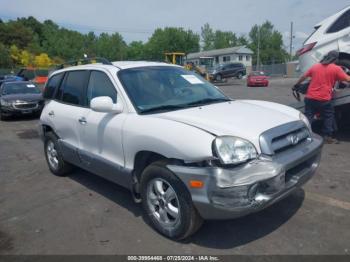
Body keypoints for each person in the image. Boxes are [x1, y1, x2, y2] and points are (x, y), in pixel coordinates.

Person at [295, 50, 350, 144]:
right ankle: (327, 136)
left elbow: (304, 76)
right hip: (323, 100)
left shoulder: (316, 66)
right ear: (336, 59)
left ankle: (303, 135)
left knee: (308, 117)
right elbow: (348, 79)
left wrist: (296, 85)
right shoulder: (336, 69)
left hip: (310, 98)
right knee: (329, 116)